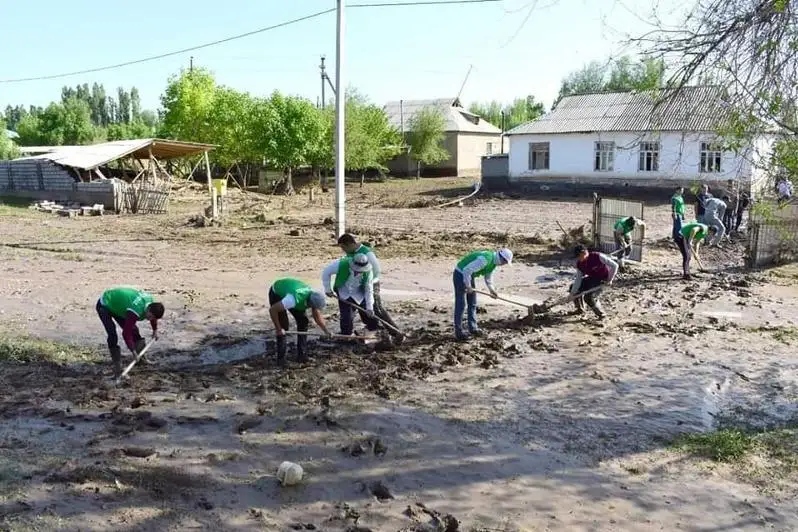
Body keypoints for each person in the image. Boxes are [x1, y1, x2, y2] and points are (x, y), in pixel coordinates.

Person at [336, 233, 403, 344]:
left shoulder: (367, 253)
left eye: (343, 248)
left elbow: (376, 270)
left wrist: (367, 283)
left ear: (349, 244)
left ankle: (396, 332)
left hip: (370, 283)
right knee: (361, 309)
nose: (344, 251)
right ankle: (369, 330)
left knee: (377, 309)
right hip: (358, 284)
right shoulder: (352, 253)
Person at [96, 287, 165, 380]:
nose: (149, 319)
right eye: (150, 316)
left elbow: (154, 317)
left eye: (152, 318)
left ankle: (141, 359)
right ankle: (118, 369)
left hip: (120, 305)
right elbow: (126, 333)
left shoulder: (151, 302)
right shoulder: (135, 310)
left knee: (134, 330)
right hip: (105, 304)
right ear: (148, 309)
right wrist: (133, 351)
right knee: (112, 334)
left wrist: (155, 330)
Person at [452, 248, 513, 340]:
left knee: (472, 303)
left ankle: (473, 328)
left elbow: (488, 277)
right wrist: (468, 286)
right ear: (502, 258)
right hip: (460, 274)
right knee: (461, 304)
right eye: (505, 262)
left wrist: (492, 290)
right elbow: (466, 270)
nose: (503, 265)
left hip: (469, 275)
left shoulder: (493, 263)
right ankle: (459, 332)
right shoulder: (485, 260)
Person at [268, 278, 331, 363]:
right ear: (309, 303)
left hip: (292, 292)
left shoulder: (314, 295)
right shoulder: (293, 300)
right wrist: (278, 328)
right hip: (277, 293)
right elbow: (273, 310)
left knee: (303, 322)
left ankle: (302, 355)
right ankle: (281, 359)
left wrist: (326, 331)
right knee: (284, 326)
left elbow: (316, 315)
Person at [322, 253, 379, 337]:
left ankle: (371, 332)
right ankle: (347, 336)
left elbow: (368, 291)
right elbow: (326, 272)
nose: (358, 272)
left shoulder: (368, 273)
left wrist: (369, 307)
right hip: (343, 292)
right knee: (346, 317)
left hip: (359, 293)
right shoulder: (340, 264)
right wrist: (327, 289)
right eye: (356, 269)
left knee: (369, 315)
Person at [570, 245, 618, 319]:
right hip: (592, 278)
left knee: (588, 297)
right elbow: (578, 279)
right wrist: (573, 293)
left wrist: (610, 279)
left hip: (603, 280)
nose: (578, 259)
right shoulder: (580, 264)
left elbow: (615, 265)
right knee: (572, 287)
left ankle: (601, 314)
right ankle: (580, 309)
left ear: (584, 253)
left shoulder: (597, 256)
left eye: (579, 256)